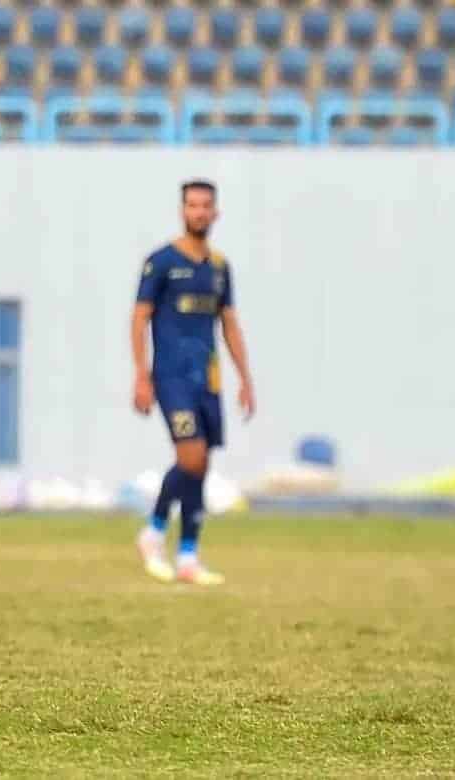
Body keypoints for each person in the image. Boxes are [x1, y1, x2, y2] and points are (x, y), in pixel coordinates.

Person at [130, 180, 254, 586]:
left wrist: (245, 378)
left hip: (208, 379)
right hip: (171, 378)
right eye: (192, 205)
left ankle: (187, 556)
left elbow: (229, 323)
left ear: (215, 213)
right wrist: (141, 374)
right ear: (183, 211)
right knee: (191, 458)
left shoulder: (219, 267)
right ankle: (153, 530)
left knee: (202, 466)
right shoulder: (162, 262)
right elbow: (139, 318)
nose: (199, 212)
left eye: (205, 206)